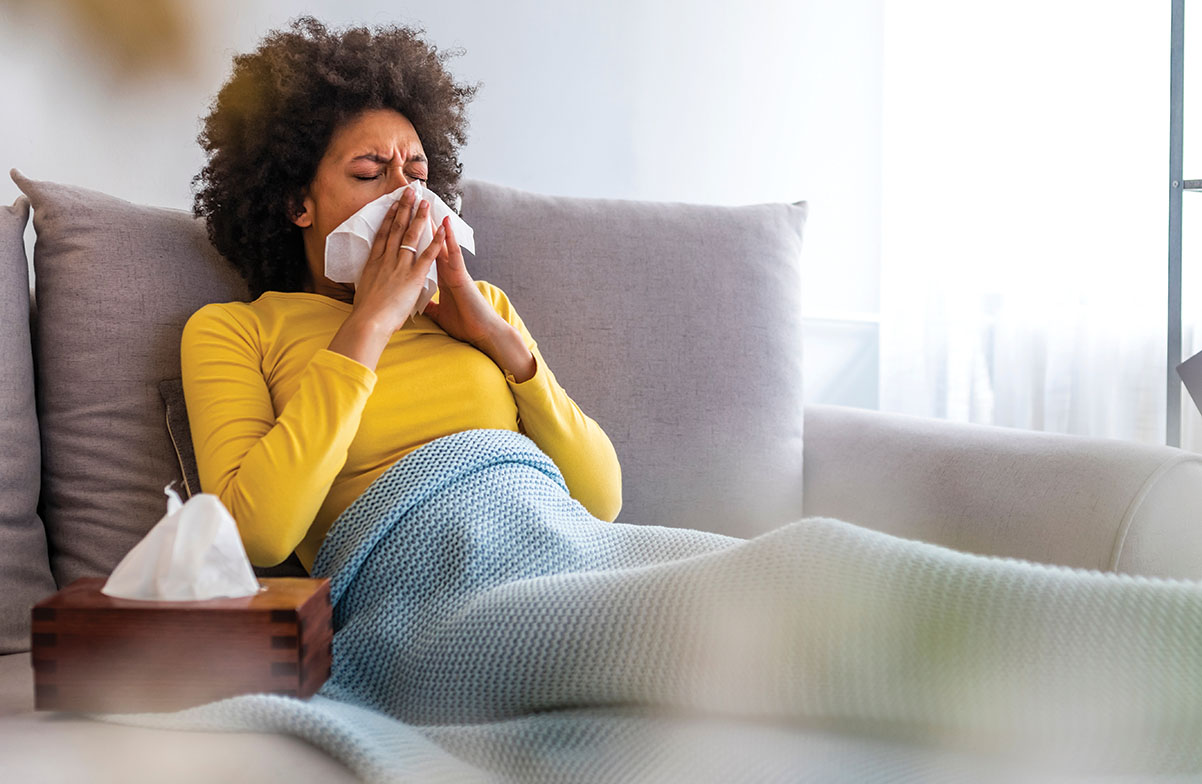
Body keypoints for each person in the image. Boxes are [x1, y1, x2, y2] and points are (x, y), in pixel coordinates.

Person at [182, 16, 622, 574]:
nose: (407, 196)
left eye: (417, 172)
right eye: (370, 172)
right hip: (419, 590)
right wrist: (369, 323)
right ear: (298, 204)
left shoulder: (479, 307)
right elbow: (256, 536)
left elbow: (602, 500)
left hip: (561, 551)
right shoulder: (236, 331)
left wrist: (497, 338)